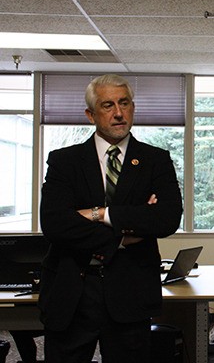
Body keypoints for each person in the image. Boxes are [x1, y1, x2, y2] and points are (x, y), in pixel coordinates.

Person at [39, 74, 183, 362]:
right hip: (73, 292)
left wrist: (99, 214)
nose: (118, 113)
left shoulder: (156, 160)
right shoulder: (64, 161)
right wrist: (123, 234)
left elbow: (167, 218)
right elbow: (54, 223)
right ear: (90, 114)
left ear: (133, 108)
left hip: (130, 293)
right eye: (107, 105)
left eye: (124, 103)